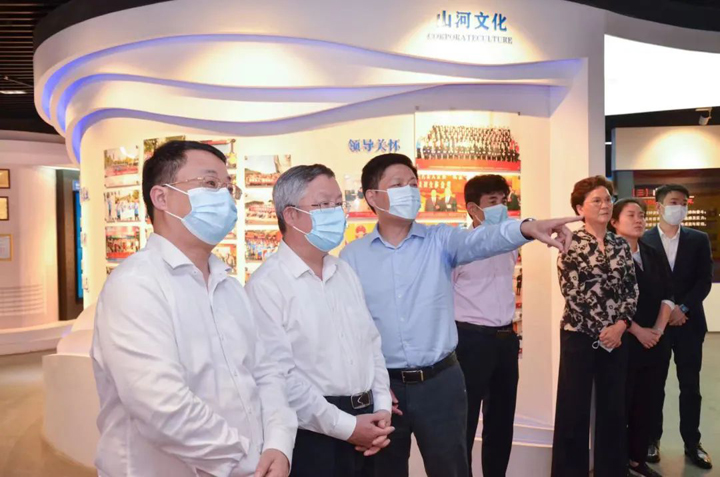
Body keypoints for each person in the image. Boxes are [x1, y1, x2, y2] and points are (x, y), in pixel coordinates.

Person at [340, 153, 580, 477]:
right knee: (383, 470)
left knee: (451, 467)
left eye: (413, 184)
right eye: (398, 185)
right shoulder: (353, 257)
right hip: (385, 388)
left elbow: (484, 239)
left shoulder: (440, 240)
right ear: (372, 196)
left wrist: (526, 228)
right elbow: (351, 328)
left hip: (441, 383)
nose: (409, 191)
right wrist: (373, 382)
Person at [91, 141, 296, 477]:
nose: (225, 198)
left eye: (228, 188)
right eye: (210, 183)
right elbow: (161, 408)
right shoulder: (135, 285)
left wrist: (278, 445)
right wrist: (247, 461)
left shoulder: (230, 287)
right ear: (161, 197)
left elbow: (265, 373)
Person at [246, 165, 394, 477]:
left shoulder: (344, 272)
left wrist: (381, 407)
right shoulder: (266, 285)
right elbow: (280, 377)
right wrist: (347, 427)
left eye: (338, 204)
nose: (336, 213)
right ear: (291, 215)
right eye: (324, 204)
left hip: (368, 423)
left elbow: (371, 344)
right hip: (313, 434)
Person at [552, 176, 638, 477]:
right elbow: (572, 292)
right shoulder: (570, 242)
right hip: (579, 335)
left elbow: (631, 289)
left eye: (608, 199)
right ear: (580, 208)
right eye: (597, 200)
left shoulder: (620, 244)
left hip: (617, 337)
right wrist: (603, 330)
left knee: (613, 409)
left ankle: (611, 471)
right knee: (573, 409)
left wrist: (621, 325)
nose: (605, 205)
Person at [452, 174, 520, 477]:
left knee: (502, 421)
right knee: (464, 421)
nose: (501, 207)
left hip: (506, 339)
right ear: (473, 208)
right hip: (470, 340)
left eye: (503, 200)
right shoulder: (458, 247)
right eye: (493, 201)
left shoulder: (510, 243)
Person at [644, 184, 713, 469]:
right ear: (659, 206)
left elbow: (704, 281)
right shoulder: (644, 239)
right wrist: (666, 311)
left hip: (689, 323)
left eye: (684, 202)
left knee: (690, 386)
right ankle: (651, 439)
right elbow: (643, 283)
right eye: (674, 202)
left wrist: (682, 308)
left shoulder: (698, 239)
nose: (680, 207)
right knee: (653, 385)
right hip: (655, 326)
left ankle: (692, 443)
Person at [610, 198, 674, 477]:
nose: (639, 220)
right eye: (631, 215)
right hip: (624, 340)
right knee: (621, 402)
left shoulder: (652, 253)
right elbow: (609, 301)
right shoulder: (609, 254)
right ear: (614, 222)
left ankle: (637, 459)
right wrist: (637, 330)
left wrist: (657, 330)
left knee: (648, 402)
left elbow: (668, 294)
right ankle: (617, 462)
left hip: (655, 342)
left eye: (641, 215)